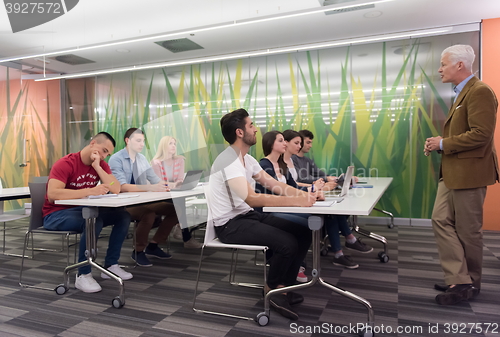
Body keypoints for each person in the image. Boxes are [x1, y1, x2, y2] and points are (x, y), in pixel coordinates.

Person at [209, 108, 315, 320]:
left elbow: (273, 184)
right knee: (287, 243)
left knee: (303, 232)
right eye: (251, 126)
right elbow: (252, 198)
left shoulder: (247, 160)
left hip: (247, 217)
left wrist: (306, 195)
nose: (255, 129)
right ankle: (272, 289)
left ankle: (284, 284)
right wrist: (297, 200)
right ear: (240, 132)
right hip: (229, 225)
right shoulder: (228, 161)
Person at [424, 44, 499, 305]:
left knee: (468, 232)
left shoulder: (479, 91)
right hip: (453, 172)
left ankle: (469, 283)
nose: (439, 69)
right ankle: (460, 277)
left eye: (443, 64)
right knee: (440, 220)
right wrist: (440, 141)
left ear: (459, 65)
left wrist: (443, 144)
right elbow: (464, 133)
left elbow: (481, 134)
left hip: (469, 173)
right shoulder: (462, 94)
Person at [257, 130, 372, 271]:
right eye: (280, 141)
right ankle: (293, 263)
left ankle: (331, 255)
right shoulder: (264, 165)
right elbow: (279, 192)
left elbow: (292, 187)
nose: (284, 144)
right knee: (307, 224)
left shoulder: (282, 165)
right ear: (270, 144)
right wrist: (310, 191)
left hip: (287, 205)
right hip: (270, 210)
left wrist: (314, 192)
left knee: (325, 214)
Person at [43, 132, 133, 293]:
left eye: (108, 153)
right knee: (93, 220)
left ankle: (111, 265)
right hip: (55, 215)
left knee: (123, 216)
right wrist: (90, 190)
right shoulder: (65, 163)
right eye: (104, 150)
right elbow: (53, 194)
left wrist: (98, 167)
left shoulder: (101, 164)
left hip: (80, 211)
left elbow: (116, 188)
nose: (105, 156)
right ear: (92, 143)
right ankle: (83, 275)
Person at [289, 130, 373, 267]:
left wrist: (332, 179)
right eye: (306, 142)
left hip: (313, 191)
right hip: (305, 195)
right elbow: (300, 179)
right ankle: (346, 244)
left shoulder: (307, 159)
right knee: (332, 213)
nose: (309, 146)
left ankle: (346, 243)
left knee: (334, 210)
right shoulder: (292, 160)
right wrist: (322, 182)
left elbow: (318, 173)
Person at [108, 128, 178, 267]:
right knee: (148, 214)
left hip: (141, 200)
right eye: (138, 141)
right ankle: (138, 251)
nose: (141, 144)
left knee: (176, 210)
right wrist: (149, 188)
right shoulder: (116, 159)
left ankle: (153, 245)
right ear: (127, 141)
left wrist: (172, 185)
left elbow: (155, 180)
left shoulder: (142, 158)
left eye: (143, 141)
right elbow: (122, 187)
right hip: (123, 203)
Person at [151, 136, 202, 249]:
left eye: (174, 143)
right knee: (179, 202)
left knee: (179, 200)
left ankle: (181, 229)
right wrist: (174, 185)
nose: (174, 146)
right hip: (160, 195)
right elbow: (159, 183)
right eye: (170, 143)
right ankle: (184, 234)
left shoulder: (179, 160)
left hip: (174, 193)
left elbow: (180, 179)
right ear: (164, 146)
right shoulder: (156, 163)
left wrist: (178, 184)